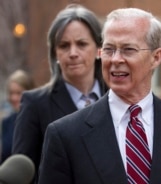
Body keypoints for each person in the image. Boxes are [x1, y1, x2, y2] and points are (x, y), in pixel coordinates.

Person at [38, 8, 161, 184]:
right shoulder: (65, 135)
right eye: (109, 49)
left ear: (156, 57)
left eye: (128, 49)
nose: (116, 59)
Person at [12, 4, 108, 183]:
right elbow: (22, 173)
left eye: (81, 44)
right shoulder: (35, 105)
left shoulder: (117, 99)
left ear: (98, 50)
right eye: (64, 45)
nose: (73, 53)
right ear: (55, 53)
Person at [1, 69, 34, 163]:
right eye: (11, 93)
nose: (14, 98)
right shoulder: (7, 122)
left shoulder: (38, 120)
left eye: (19, 93)